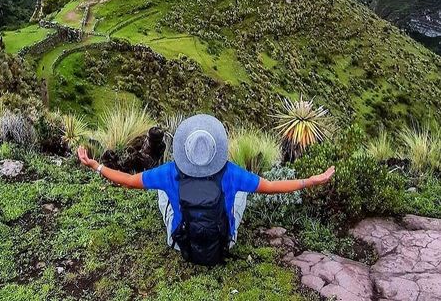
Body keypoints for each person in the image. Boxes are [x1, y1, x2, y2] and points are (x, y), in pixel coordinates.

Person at [77, 114, 335, 266]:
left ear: (185, 150)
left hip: (181, 245)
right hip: (224, 244)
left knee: (161, 191)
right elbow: (269, 186)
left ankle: (179, 227)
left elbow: (129, 181)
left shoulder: (170, 171)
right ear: (215, 150)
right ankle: (227, 230)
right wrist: (309, 181)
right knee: (244, 190)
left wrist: (96, 166)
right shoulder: (230, 172)